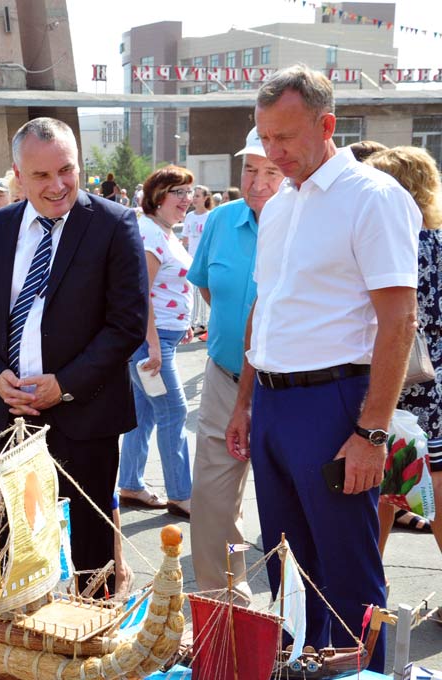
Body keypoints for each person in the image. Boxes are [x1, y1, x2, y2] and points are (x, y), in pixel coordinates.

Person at [225, 65, 420, 672]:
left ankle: (365, 674)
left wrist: (371, 434)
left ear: (327, 124)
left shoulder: (374, 197)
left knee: (347, 570)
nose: (273, 153)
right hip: (275, 407)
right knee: (286, 566)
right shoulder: (281, 203)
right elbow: (267, 307)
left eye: (285, 138)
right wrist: (244, 402)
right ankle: (301, 668)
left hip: (337, 404)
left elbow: (399, 322)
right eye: (264, 139)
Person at [0, 117, 148, 584]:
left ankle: (93, 641)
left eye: (66, 170)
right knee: (17, 543)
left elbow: (127, 325)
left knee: (91, 552)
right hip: (13, 413)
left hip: (87, 417)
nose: (58, 185)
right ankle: (22, 641)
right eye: (41, 175)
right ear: (17, 176)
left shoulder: (114, 224)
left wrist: (63, 386)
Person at [187, 127, 285, 601]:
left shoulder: (307, 223)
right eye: (250, 168)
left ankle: (301, 622)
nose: (258, 181)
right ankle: (221, 607)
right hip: (225, 378)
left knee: (288, 506)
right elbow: (207, 287)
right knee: (212, 500)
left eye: (271, 170)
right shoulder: (221, 221)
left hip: (290, 390)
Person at [363, 146, 442, 557]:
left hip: (386, 377)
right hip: (436, 383)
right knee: (438, 485)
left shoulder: (386, 246)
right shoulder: (438, 243)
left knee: (378, 487)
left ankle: (369, 590)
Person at [117, 166, 195, 519]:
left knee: (143, 415)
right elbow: (141, 294)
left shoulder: (164, 232)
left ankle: (130, 485)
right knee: (173, 413)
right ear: (158, 196)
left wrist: (183, 324)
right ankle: (182, 495)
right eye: (178, 192)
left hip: (160, 338)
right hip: (151, 343)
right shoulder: (150, 233)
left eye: (188, 192)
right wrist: (152, 346)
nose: (187, 199)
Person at [183, 184, 213, 332]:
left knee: (201, 290)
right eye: (193, 195)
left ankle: (201, 322)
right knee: (192, 289)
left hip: (205, 258)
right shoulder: (189, 216)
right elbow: (185, 239)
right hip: (191, 257)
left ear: (205, 198)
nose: (194, 199)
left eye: (198, 196)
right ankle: (194, 321)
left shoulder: (210, 216)